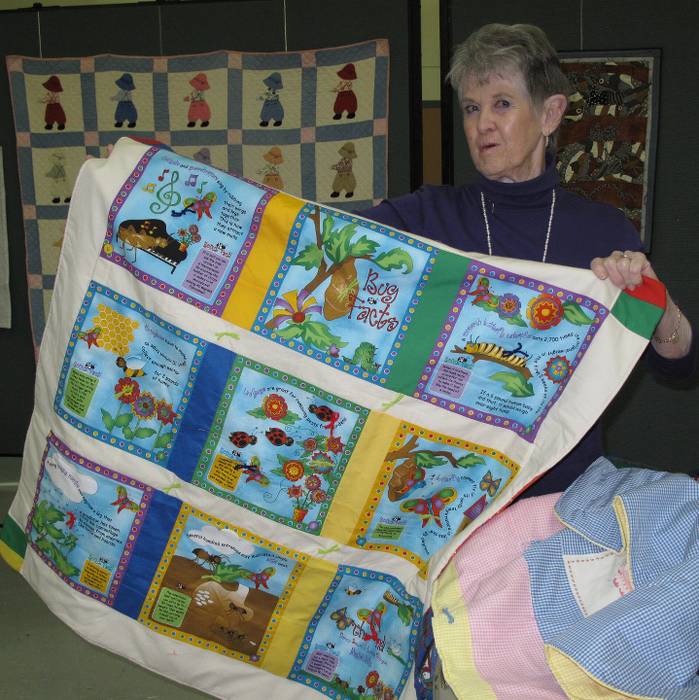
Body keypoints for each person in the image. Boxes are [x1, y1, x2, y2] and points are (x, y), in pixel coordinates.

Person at [361, 23, 696, 497]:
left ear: (549, 114)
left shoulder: (603, 232)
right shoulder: (425, 216)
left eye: (502, 103)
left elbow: (678, 366)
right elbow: (321, 236)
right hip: (446, 491)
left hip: (562, 496)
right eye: (472, 108)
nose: (482, 124)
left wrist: (656, 301)